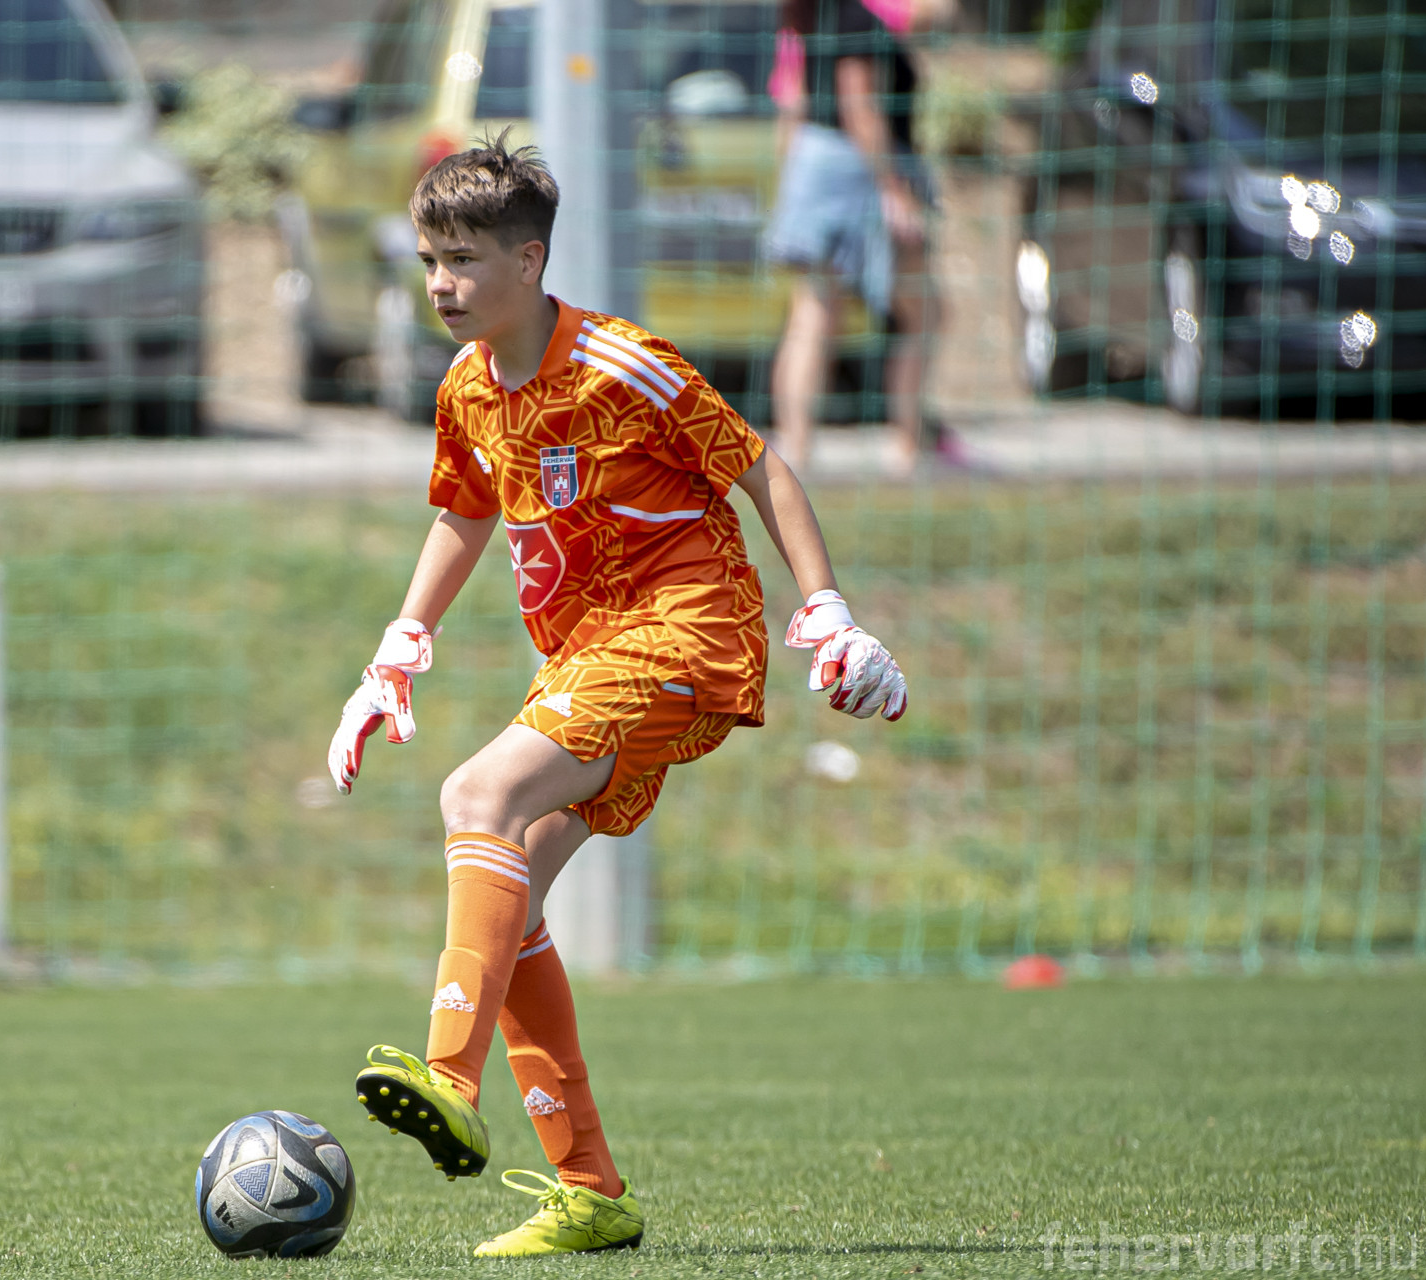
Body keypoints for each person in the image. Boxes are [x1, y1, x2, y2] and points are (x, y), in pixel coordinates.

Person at [324, 135, 909, 1257]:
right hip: (590, 657)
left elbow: (760, 466)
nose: (441, 283)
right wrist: (397, 646)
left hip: (686, 629)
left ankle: (447, 1074)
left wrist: (828, 610)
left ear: (529, 259)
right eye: (429, 259)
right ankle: (590, 1190)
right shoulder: (467, 387)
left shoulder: (620, 361)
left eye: (463, 260)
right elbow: (464, 509)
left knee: (476, 794)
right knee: (514, 891)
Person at [765, 0, 943, 475]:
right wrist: (894, 189)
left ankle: (796, 450)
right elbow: (859, 105)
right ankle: (908, 448)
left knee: (815, 313)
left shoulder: (819, 17)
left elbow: (793, 104)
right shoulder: (855, 18)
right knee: (924, 311)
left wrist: (791, 179)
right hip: (856, 170)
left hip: (816, 162)